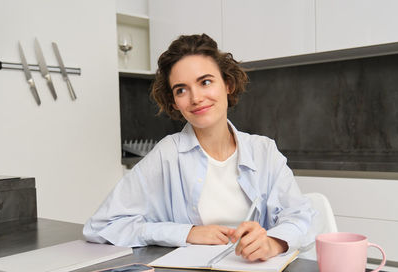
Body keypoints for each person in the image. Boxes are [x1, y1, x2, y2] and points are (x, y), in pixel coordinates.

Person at [83, 34, 313, 261]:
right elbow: (102, 225)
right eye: (181, 90)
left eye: (205, 82)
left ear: (228, 84)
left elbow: (300, 217)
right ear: (174, 101)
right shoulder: (167, 155)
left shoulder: (264, 151)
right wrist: (187, 232)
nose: (195, 98)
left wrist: (273, 243)